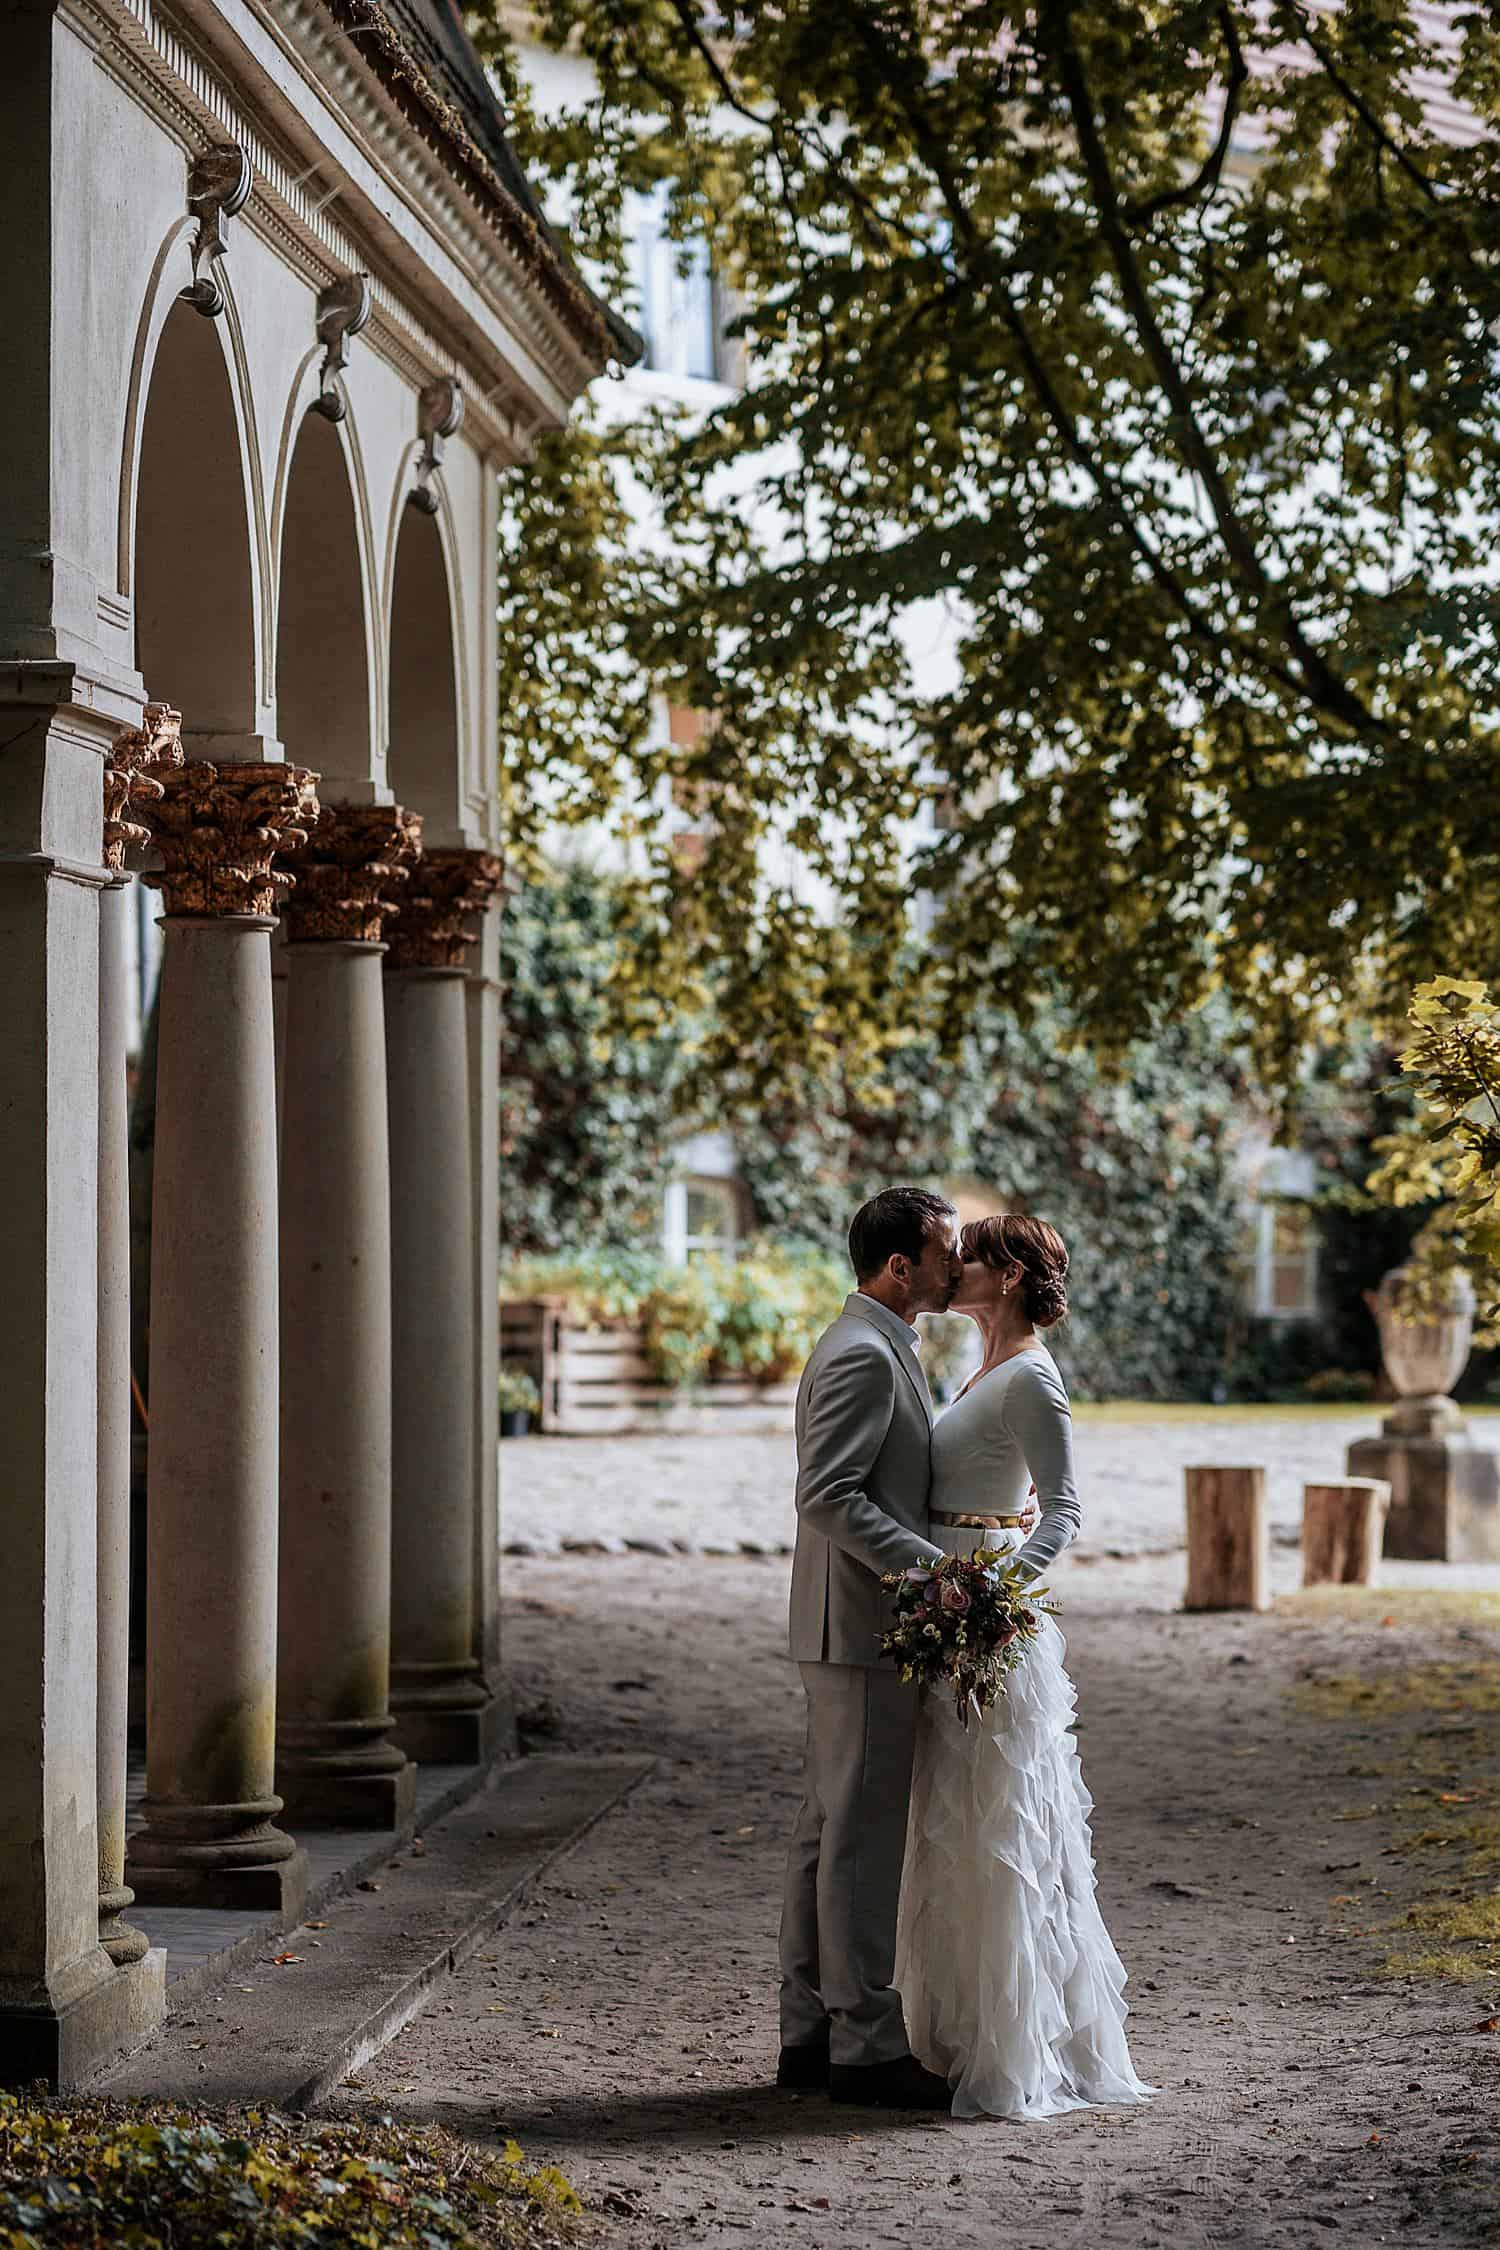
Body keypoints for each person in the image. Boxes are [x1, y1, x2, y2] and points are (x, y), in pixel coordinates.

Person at [895, 1213, 1155, 2120]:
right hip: (947, 1612)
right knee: (951, 1829)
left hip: (988, 1627)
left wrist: (989, 1595)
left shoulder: (1034, 1379)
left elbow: (1064, 1512)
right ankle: (952, 2031)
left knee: (1001, 1828)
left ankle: (1012, 2048)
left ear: (1007, 1276)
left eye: (970, 1256)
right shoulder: (979, 1368)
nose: (953, 1266)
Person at [777, 1185, 967, 2109]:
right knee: (858, 1835)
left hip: (849, 1623)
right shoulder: (860, 1353)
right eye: (946, 1251)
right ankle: (863, 2045)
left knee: (829, 1831)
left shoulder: (879, 1343)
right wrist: (936, 1571)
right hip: (859, 1625)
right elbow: (828, 1494)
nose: (958, 1264)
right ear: (901, 1267)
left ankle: (811, 2035)